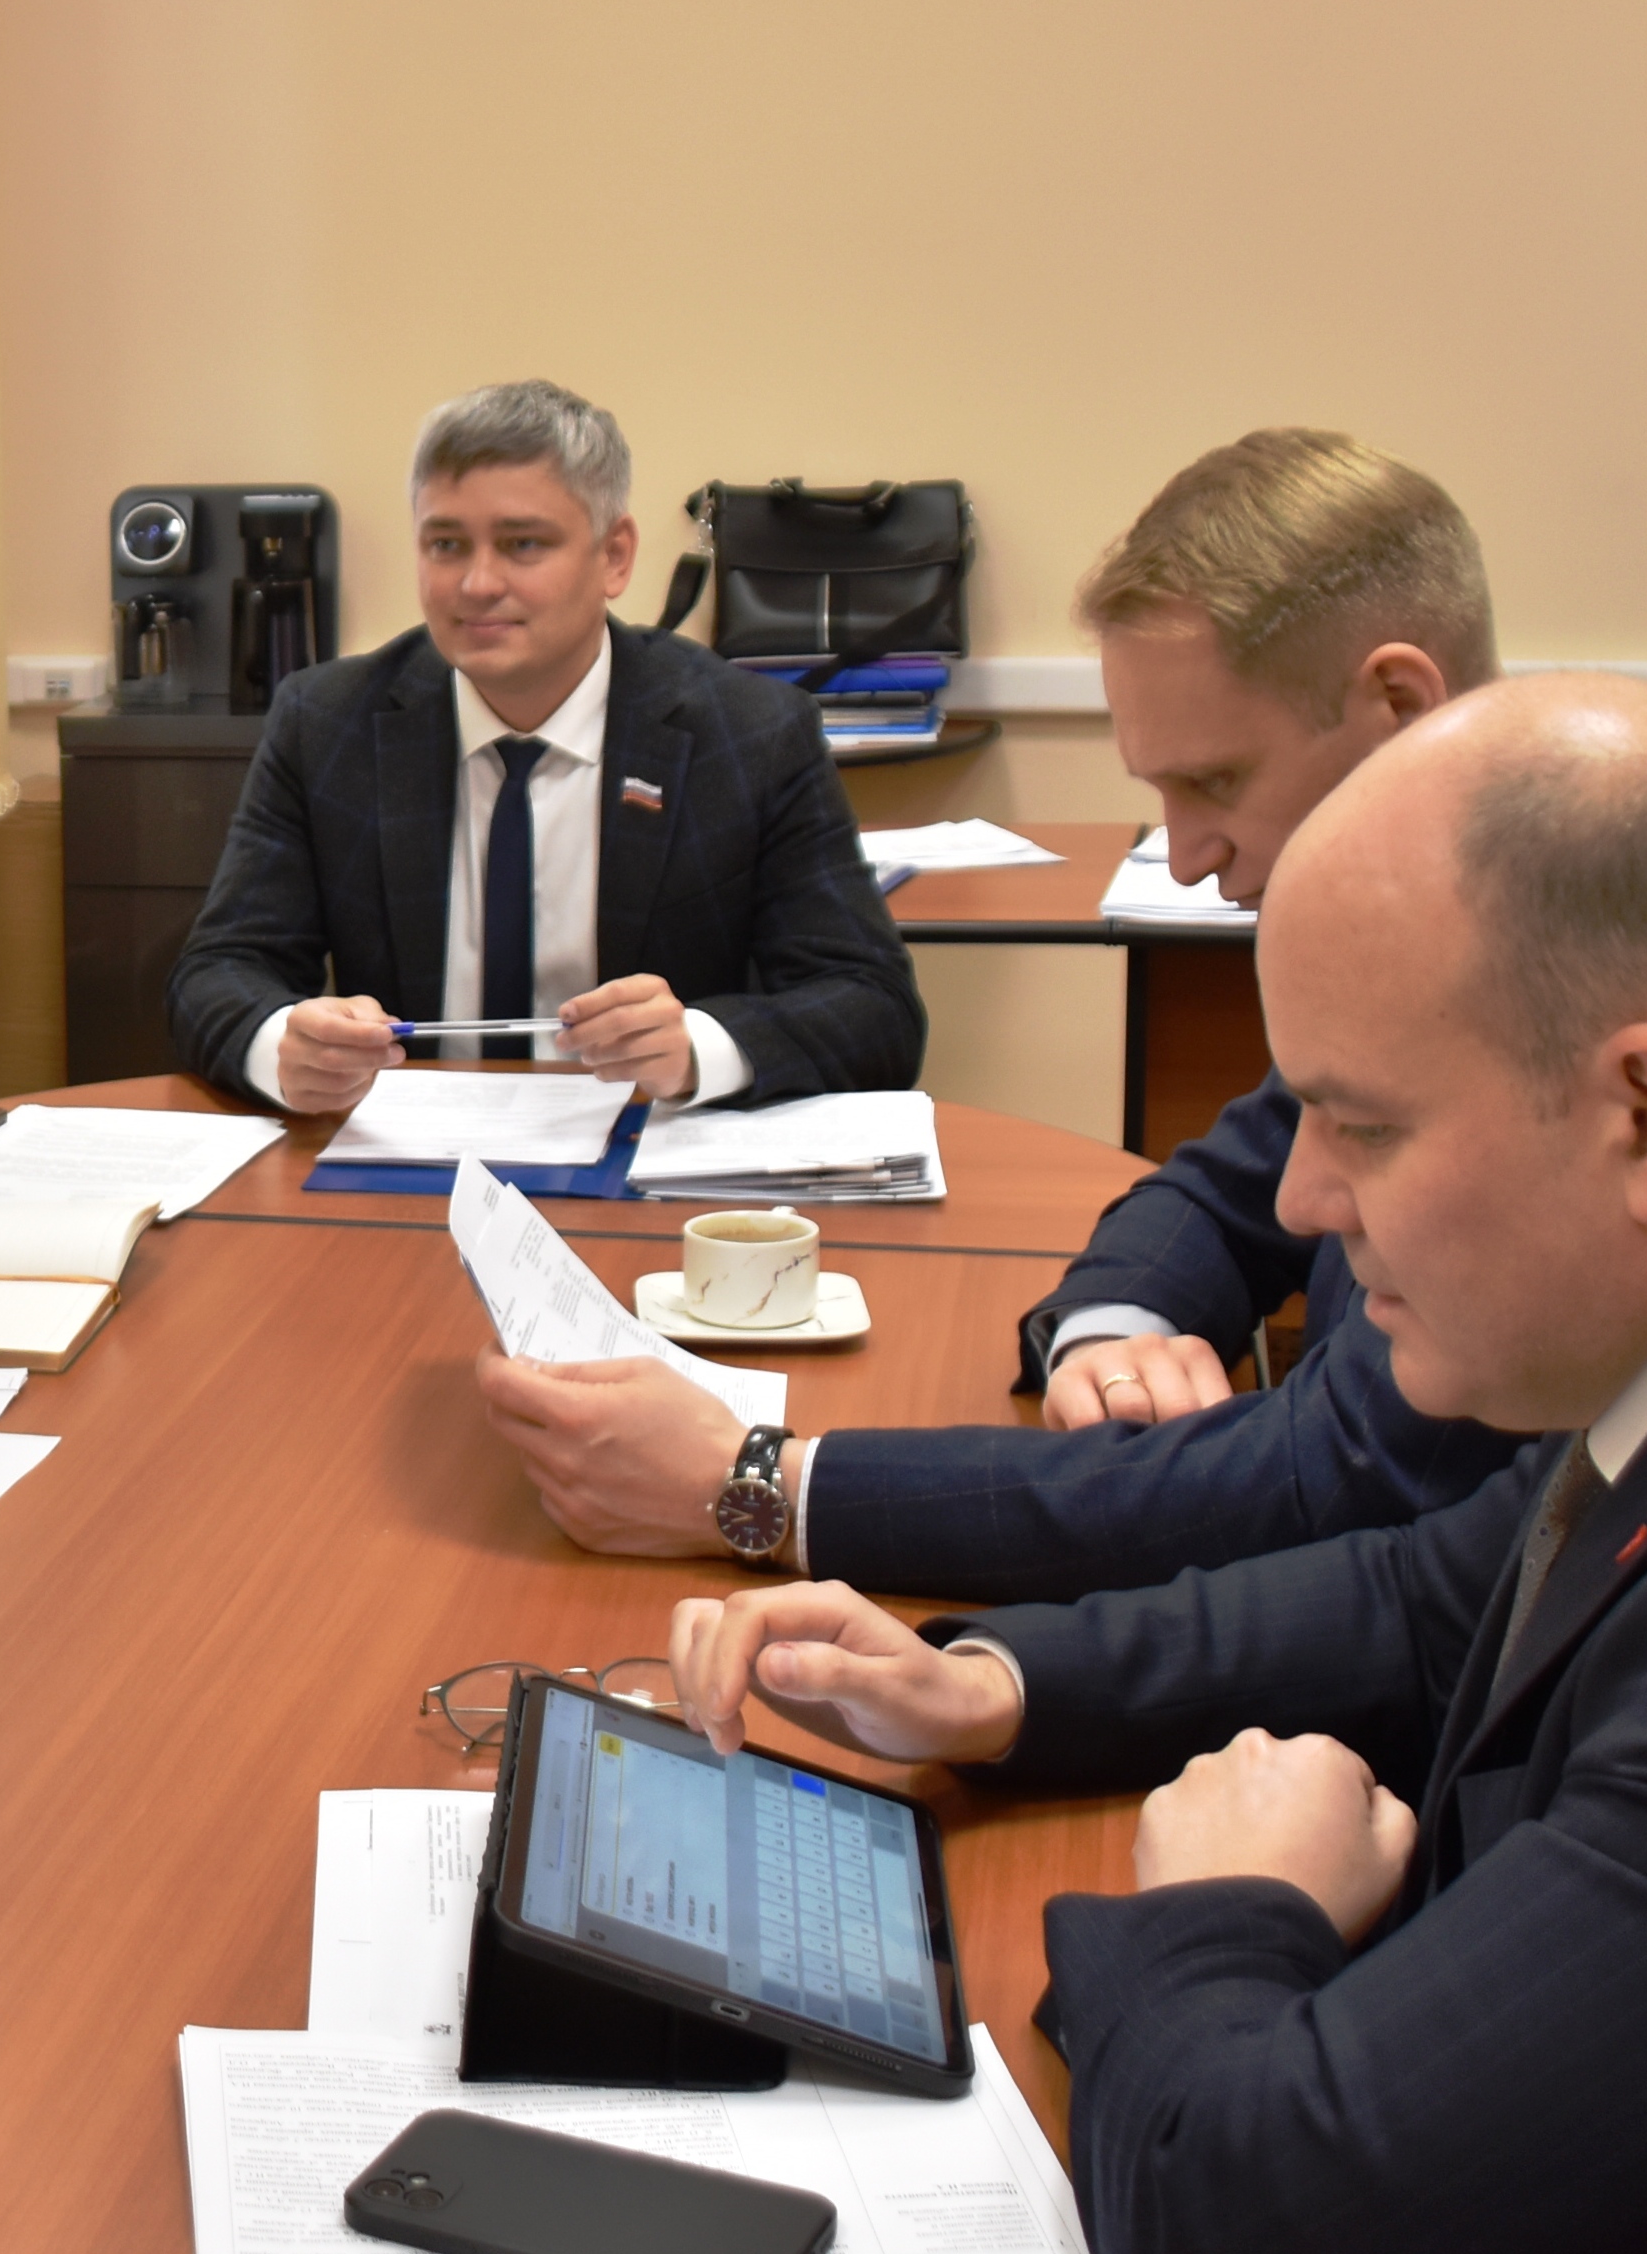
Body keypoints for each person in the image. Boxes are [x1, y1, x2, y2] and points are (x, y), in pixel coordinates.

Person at [668, 677, 1647, 2254]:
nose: (1299, 1198)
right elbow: (1435, 1599)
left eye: (1361, 1123)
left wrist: (1228, 1910)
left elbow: (1249, 2248)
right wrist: (994, 1687)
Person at [479, 430, 1539, 1598]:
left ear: (1396, 704)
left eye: (1215, 781)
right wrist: (1111, 1325)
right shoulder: (1422, 952)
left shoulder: (1541, 1018)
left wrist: (754, 1484)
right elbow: (1225, 1191)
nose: (1186, 859)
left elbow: (1309, 1481)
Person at [166, 379, 922, 1116]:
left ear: (614, 556)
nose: (477, 583)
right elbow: (218, 972)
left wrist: (697, 1047)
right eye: (445, 544)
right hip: (411, 1159)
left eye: (522, 544)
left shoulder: (750, 733)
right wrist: (282, 1046)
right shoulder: (329, 724)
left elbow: (874, 1006)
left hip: (648, 1157)